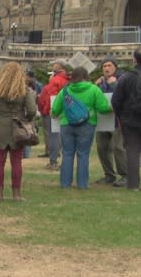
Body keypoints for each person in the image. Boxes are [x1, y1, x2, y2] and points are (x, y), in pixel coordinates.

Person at [0, 62, 37, 201]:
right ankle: (16, 194)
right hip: (18, 127)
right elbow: (31, 110)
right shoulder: (23, 90)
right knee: (16, 162)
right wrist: (26, 121)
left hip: (0, 126)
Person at [51, 67, 112, 189]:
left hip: (66, 125)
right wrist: (112, 108)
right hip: (87, 124)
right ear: (86, 76)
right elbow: (103, 108)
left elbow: (55, 110)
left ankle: (65, 183)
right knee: (83, 154)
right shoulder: (94, 89)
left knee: (67, 154)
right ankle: (82, 184)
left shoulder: (65, 90)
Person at [111, 46, 141, 191]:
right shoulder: (127, 77)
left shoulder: (126, 77)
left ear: (134, 60)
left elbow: (116, 100)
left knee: (132, 151)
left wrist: (120, 115)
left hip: (130, 119)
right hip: (130, 117)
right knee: (132, 150)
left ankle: (133, 184)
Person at [94, 56, 127, 187]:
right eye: (104, 66)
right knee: (102, 147)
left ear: (115, 67)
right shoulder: (101, 83)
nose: (106, 68)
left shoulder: (122, 80)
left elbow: (126, 96)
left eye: (109, 66)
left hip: (118, 121)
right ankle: (109, 175)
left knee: (118, 147)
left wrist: (115, 84)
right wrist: (95, 86)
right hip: (103, 120)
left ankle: (125, 175)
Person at [38, 58, 70, 170]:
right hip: (62, 110)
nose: (53, 66)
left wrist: (46, 110)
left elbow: (51, 97)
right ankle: (56, 159)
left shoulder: (56, 80)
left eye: (55, 64)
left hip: (52, 111)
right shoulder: (65, 78)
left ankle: (53, 161)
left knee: (54, 136)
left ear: (60, 66)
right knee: (59, 135)